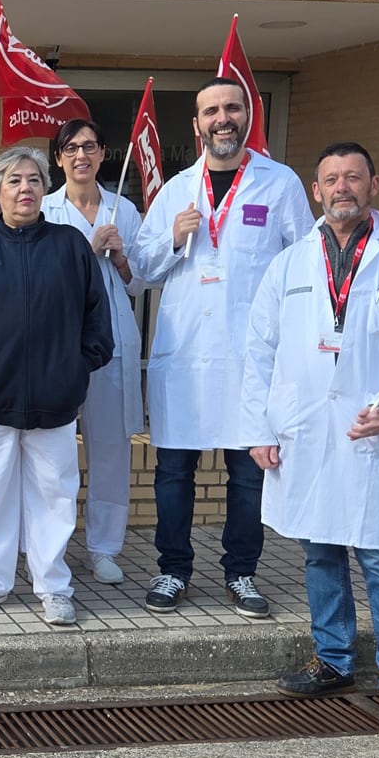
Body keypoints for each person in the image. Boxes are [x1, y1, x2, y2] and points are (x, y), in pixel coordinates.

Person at [243, 143, 379, 736]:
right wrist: (258, 426)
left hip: (369, 438)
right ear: (316, 191)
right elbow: (258, 349)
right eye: (331, 178)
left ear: (373, 186)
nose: (342, 188)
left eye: (353, 178)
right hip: (305, 433)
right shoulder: (288, 264)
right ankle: (333, 660)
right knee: (319, 551)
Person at [132, 78, 310, 619]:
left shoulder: (279, 185)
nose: (222, 118)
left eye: (232, 108)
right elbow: (140, 270)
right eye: (211, 111)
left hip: (252, 361)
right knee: (172, 474)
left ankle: (241, 574)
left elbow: (303, 268)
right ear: (197, 124)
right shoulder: (174, 191)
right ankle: (172, 570)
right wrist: (173, 238)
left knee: (249, 474)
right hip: (185, 359)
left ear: (248, 115)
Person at [0, 145, 112, 626]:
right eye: (14, 181)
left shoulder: (70, 245)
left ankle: (53, 586)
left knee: (54, 493)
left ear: (44, 188)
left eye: (33, 179)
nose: (25, 188)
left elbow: (98, 321)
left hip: (55, 400)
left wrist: (76, 370)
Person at [42, 119, 148, 585]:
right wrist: (88, 249)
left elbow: (142, 282)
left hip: (111, 344)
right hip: (59, 346)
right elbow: (40, 279)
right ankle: (52, 548)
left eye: (89, 146)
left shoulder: (123, 207)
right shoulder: (43, 209)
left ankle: (104, 548)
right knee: (53, 451)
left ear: (103, 153)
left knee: (110, 451)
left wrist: (122, 258)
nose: (80, 155)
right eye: (70, 147)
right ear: (59, 157)